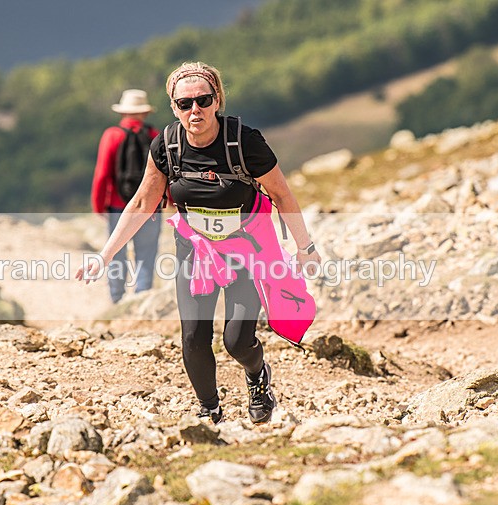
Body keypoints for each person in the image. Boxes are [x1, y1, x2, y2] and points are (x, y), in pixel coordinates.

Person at [77, 62, 322, 425]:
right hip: (195, 251)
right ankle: (210, 411)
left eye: (203, 100)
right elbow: (144, 202)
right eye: (184, 103)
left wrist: (305, 249)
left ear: (217, 100)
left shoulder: (244, 141)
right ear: (173, 107)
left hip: (246, 249)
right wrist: (105, 255)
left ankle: (257, 377)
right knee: (193, 337)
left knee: (237, 341)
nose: (195, 110)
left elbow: (282, 195)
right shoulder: (166, 145)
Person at [90, 89, 161, 303]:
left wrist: (99, 205)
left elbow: (102, 174)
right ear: (145, 113)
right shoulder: (155, 136)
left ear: (123, 113)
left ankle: (117, 300)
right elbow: (162, 175)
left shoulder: (112, 135)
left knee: (115, 255)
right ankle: (141, 301)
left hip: (118, 205)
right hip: (150, 207)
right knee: (146, 255)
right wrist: (167, 200)